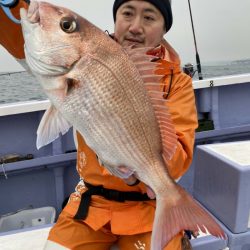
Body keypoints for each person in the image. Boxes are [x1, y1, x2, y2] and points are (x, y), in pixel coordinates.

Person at [44, 0, 198, 249]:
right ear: (116, 19)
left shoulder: (176, 83)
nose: (135, 27)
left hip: (148, 206)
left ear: (164, 29)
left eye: (149, 18)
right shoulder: (88, 61)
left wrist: (135, 173)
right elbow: (22, 29)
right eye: (127, 13)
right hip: (90, 204)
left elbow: (179, 156)